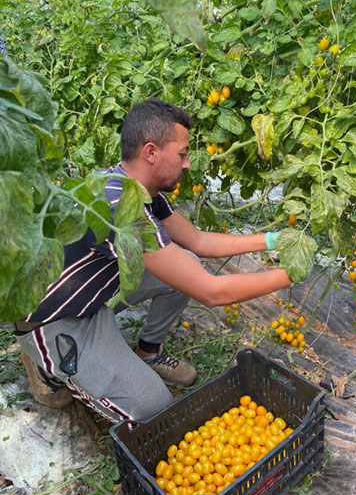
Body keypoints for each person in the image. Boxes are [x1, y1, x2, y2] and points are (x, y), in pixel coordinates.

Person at [14, 98, 291, 422]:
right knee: (150, 408)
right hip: (56, 319)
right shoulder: (122, 209)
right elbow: (212, 292)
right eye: (182, 153)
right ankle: (51, 367)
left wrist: (271, 240)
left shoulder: (134, 188)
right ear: (151, 152)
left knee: (182, 267)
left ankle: (148, 352)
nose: (188, 163)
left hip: (94, 293)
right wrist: (290, 275)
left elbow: (199, 242)